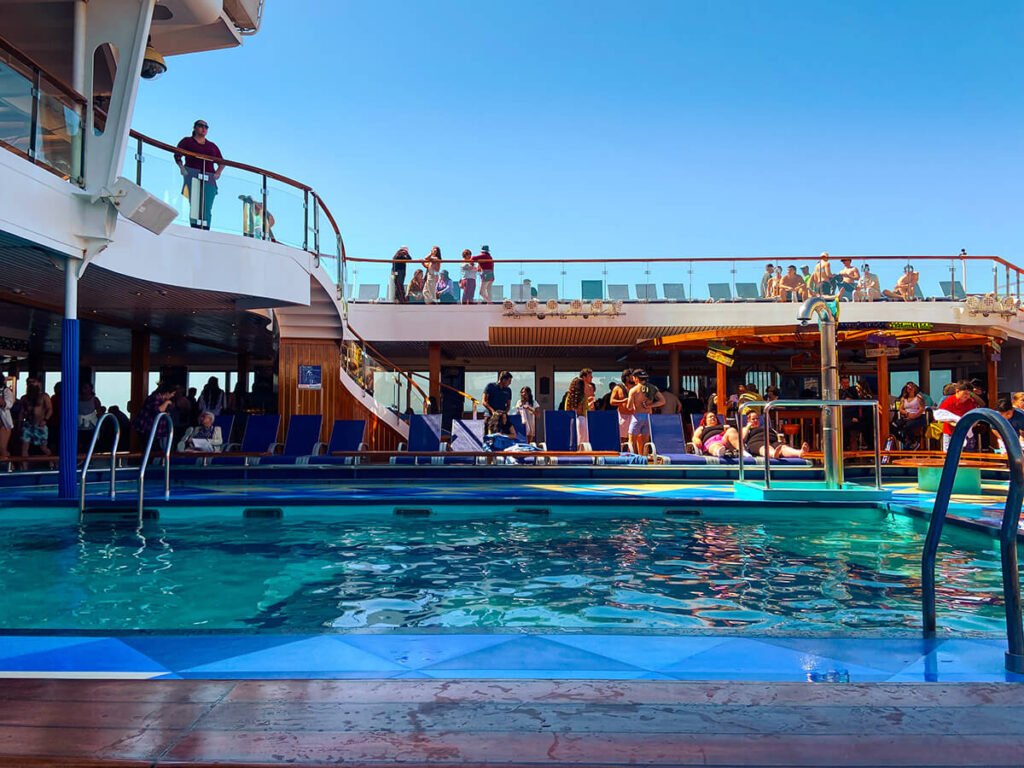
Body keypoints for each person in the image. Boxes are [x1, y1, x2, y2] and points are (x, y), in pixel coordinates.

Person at [173, 119, 223, 230]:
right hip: (193, 176)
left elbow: (222, 162)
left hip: (209, 179)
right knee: (195, 205)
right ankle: (195, 228)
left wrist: (218, 172)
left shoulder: (211, 146)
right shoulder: (187, 141)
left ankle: (205, 229)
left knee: (207, 206)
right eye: (201, 126)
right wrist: (182, 168)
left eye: (206, 127)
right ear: (195, 127)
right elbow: (177, 155)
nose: (204, 128)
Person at [626, 369, 665, 455]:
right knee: (644, 441)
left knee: (631, 440)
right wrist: (650, 405)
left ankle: (631, 459)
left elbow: (628, 407)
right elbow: (662, 401)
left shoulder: (633, 390)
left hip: (637, 416)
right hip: (648, 416)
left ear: (636, 378)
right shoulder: (653, 388)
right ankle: (644, 458)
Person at [743, 411, 808, 459]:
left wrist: (780, 438)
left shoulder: (766, 427)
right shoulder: (746, 429)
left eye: (757, 418)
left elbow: (777, 434)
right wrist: (748, 426)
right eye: (753, 419)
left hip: (772, 441)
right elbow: (742, 438)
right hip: (757, 442)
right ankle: (773, 454)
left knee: (782, 447)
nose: (756, 420)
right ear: (748, 420)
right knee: (766, 447)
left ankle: (799, 453)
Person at [18, 375, 52, 464]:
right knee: (24, 447)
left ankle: (53, 463)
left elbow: (50, 409)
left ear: (38, 384)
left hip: (40, 425)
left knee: (43, 448)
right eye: (29, 382)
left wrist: (45, 420)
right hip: (28, 425)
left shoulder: (44, 396)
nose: (31, 384)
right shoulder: (24, 398)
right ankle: (24, 469)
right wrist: (19, 424)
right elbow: (21, 412)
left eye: (33, 382)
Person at [935, 381, 978, 451]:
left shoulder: (971, 402)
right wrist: (955, 423)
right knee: (949, 456)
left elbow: (974, 416)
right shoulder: (948, 401)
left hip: (966, 432)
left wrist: (972, 424)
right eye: (965, 393)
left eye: (969, 394)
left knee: (968, 456)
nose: (967, 396)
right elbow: (942, 415)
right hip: (950, 433)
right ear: (957, 391)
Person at [892, 381, 927, 449]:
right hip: (907, 416)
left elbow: (921, 409)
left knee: (908, 426)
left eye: (911, 387)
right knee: (893, 426)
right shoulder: (904, 399)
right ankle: (905, 441)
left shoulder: (918, 398)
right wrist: (907, 413)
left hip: (918, 417)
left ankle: (913, 442)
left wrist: (913, 416)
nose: (909, 389)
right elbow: (900, 409)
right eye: (908, 387)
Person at [566, 369, 594, 448]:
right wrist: (590, 404)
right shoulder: (583, 396)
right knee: (583, 442)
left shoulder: (569, 396)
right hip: (582, 420)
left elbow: (567, 409)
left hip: (572, 421)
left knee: (574, 442)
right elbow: (584, 409)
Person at [609, 369, 635, 442]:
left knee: (633, 438)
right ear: (627, 377)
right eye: (631, 376)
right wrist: (623, 401)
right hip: (623, 416)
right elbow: (612, 401)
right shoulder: (618, 388)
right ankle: (622, 452)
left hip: (634, 415)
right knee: (622, 438)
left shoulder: (635, 387)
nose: (633, 378)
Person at [77, 380, 102, 452]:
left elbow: (99, 412)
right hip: (79, 425)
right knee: (79, 445)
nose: (84, 390)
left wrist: (100, 425)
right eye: (83, 388)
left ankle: (90, 461)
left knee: (91, 444)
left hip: (91, 426)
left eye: (86, 388)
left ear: (90, 389)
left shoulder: (95, 399)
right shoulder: (76, 399)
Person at [0, 376, 13, 461]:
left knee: (1, 448)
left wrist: (2, 402)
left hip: (3, 424)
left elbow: (9, 404)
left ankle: (10, 467)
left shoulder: (6, 391)